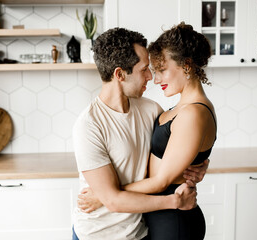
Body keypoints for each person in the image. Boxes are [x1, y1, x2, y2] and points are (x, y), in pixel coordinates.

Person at [72, 27, 209, 240]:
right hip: (98, 235)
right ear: (119, 74)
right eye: (144, 69)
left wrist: (196, 166)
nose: (151, 77)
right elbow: (113, 201)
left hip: (141, 232)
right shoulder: (89, 125)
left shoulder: (151, 110)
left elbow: (172, 152)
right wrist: (174, 201)